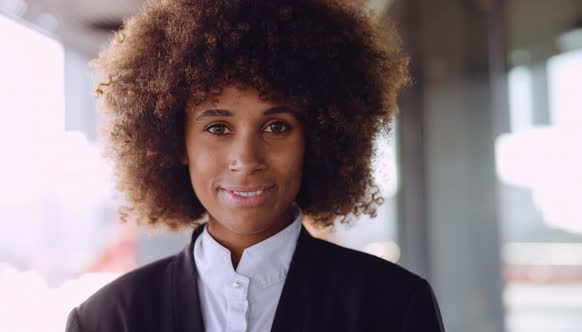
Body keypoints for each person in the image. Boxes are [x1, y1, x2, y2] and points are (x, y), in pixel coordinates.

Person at [66, 0, 445, 331]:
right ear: (175, 142)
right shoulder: (106, 321)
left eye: (276, 126)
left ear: (315, 140)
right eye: (218, 127)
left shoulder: (392, 307)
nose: (246, 159)